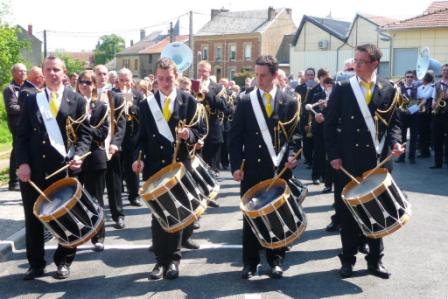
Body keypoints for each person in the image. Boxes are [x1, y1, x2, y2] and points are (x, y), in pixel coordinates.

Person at [324, 44, 404, 279]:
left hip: (378, 162)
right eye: (355, 61)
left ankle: (375, 261)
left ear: (374, 64)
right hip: (347, 162)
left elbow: (395, 124)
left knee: (377, 213)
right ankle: (347, 260)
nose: (356, 65)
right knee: (347, 213)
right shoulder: (343, 88)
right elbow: (329, 126)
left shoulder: (389, 89)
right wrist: (334, 155)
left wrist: (396, 143)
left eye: (361, 61)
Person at [16, 56, 91, 280]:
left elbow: (84, 135)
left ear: (64, 72)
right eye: (48, 69)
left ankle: (64, 261)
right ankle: (36, 264)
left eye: (56, 69)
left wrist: (79, 155)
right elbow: (21, 136)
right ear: (43, 73)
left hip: (63, 169)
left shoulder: (76, 99)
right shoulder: (31, 100)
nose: (52, 73)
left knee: (65, 217)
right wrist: (22, 163)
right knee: (33, 219)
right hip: (34, 170)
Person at [132, 57, 204, 280]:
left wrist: (189, 135)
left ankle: (172, 260)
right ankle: (159, 261)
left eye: (169, 79)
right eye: (161, 79)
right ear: (156, 79)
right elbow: (140, 138)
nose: (165, 83)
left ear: (176, 77)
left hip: (179, 167)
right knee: (158, 215)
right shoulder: (146, 105)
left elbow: (199, 131)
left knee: (176, 213)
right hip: (155, 166)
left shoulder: (188, 100)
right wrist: (138, 158)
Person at [229, 55, 301, 279]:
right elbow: (235, 137)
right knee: (251, 217)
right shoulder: (244, 100)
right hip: (252, 168)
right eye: (256, 75)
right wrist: (234, 166)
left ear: (274, 75)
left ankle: (276, 259)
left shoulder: (289, 100)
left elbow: (295, 134)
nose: (258, 79)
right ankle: (249, 263)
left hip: (280, 169)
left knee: (278, 216)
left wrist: (292, 155)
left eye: (263, 75)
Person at [76, 70, 109, 252]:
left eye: (89, 82)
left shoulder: (101, 106)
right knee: (77, 200)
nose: (85, 85)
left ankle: (99, 236)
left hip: (95, 157)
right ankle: (81, 232)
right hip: (76, 158)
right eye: (82, 81)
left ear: (95, 85)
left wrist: (84, 127)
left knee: (96, 199)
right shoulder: (71, 104)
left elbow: (102, 133)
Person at [94, 65, 127, 230]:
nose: (102, 76)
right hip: (94, 148)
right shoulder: (88, 96)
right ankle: (97, 219)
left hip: (111, 146)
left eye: (104, 74)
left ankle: (118, 215)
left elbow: (122, 124)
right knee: (96, 187)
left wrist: (116, 143)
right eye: (98, 74)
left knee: (114, 184)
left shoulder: (116, 96)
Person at [113, 68, 144, 208]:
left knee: (133, 168)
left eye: (127, 80)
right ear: (117, 82)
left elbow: (143, 114)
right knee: (118, 170)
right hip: (118, 138)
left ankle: (134, 195)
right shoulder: (112, 94)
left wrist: (132, 107)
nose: (125, 83)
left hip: (133, 137)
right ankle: (117, 197)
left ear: (132, 81)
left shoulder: (138, 95)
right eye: (122, 80)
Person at [197, 60, 227, 182]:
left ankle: (213, 179)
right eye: (199, 70)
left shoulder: (218, 87)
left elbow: (223, 105)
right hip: (198, 128)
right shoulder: (193, 84)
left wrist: (208, 93)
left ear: (209, 72)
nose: (201, 73)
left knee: (212, 162)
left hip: (213, 129)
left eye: (204, 71)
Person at [3, 63, 27, 191]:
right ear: (13, 73)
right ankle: (13, 181)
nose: (23, 73)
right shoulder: (10, 89)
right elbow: (11, 108)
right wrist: (27, 107)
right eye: (20, 71)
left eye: (24, 71)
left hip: (26, 124)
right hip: (17, 125)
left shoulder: (27, 86)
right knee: (17, 150)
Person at [295, 68, 317, 167]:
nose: (310, 76)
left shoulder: (317, 87)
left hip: (314, 115)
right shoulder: (299, 88)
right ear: (305, 76)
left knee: (314, 139)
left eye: (312, 75)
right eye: (308, 75)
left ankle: (313, 159)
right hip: (304, 117)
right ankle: (308, 159)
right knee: (306, 139)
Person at [396, 70, 418, 164]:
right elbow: (397, 101)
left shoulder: (417, 88)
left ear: (413, 78)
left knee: (413, 137)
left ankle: (412, 158)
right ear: (405, 77)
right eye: (407, 77)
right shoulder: (399, 88)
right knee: (402, 136)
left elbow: (420, 100)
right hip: (403, 114)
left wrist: (413, 108)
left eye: (411, 77)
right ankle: (401, 157)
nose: (409, 78)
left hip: (414, 114)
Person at [430, 64, 448, 168]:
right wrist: (433, 104)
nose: (446, 72)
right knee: (437, 138)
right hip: (438, 114)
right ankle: (438, 163)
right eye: (444, 70)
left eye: (447, 70)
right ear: (442, 71)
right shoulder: (437, 84)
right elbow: (433, 97)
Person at [416, 72, 435, 158]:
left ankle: (425, 151)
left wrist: (421, 98)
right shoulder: (420, 87)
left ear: (426, 79)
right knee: (420, 131)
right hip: (420, 112)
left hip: (427, 113)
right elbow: (418, 97)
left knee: (426, 132)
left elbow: (427, 96)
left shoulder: (432, 87)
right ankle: (422, 149)